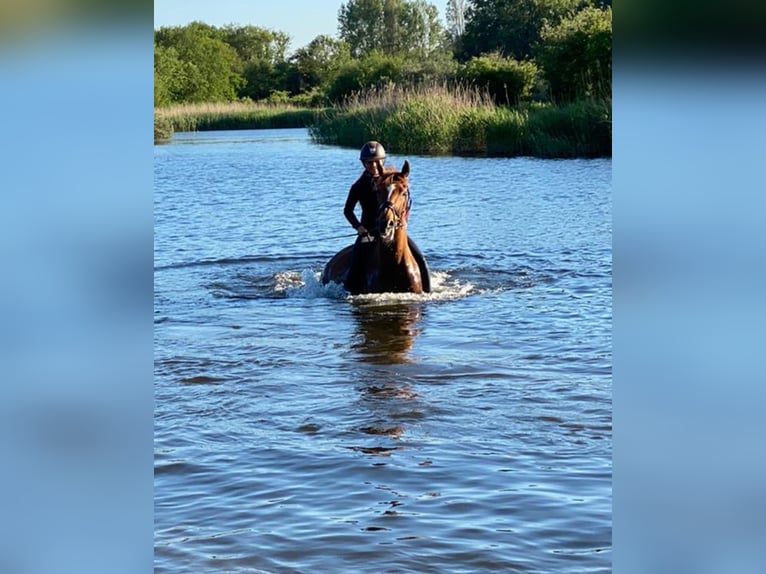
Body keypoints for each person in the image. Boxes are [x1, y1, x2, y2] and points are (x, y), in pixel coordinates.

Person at [343, 141, 387, 293]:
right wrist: (359, 227)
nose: (374, 166)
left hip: (390, 230)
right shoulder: (358, 186)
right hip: (369, 232)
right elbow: (348, 211)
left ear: (383, 161)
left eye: (377, 162)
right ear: (364, 163)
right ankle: (351, 290)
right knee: (356, 263)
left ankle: (427, 285)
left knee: (417, 256)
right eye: (369, 162)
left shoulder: (390, 181)